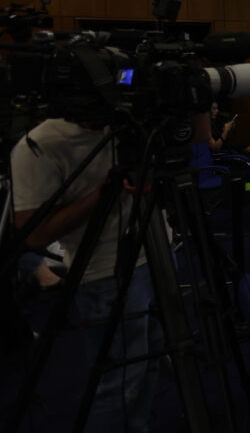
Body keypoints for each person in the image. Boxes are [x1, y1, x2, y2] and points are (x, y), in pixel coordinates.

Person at [12, 118, 161, 431]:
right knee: (121, 387)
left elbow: (199, 137)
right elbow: (34, 235)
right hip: (106, 274)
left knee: (148, 371)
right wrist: (103, 193)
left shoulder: (131, 121)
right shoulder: (38, 145)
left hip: (158, 255)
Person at [208, 101, 250, 178]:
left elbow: (224, 139)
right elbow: (215, 147)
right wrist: (226, 131)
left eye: (217, 108)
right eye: (214, 109)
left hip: (231, 148)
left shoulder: (215, 122)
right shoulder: (206, 128)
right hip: (224, 153)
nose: (217, 111)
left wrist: (229, 130)